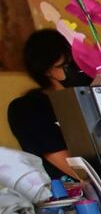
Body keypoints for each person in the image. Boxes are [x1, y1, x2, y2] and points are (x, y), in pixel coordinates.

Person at [7, 29, 88, 179]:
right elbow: (78, 171)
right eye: (67, 64)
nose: (77, 69)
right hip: (78, 194)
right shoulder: (28, 108)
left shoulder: (93, 97)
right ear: (46, 69)